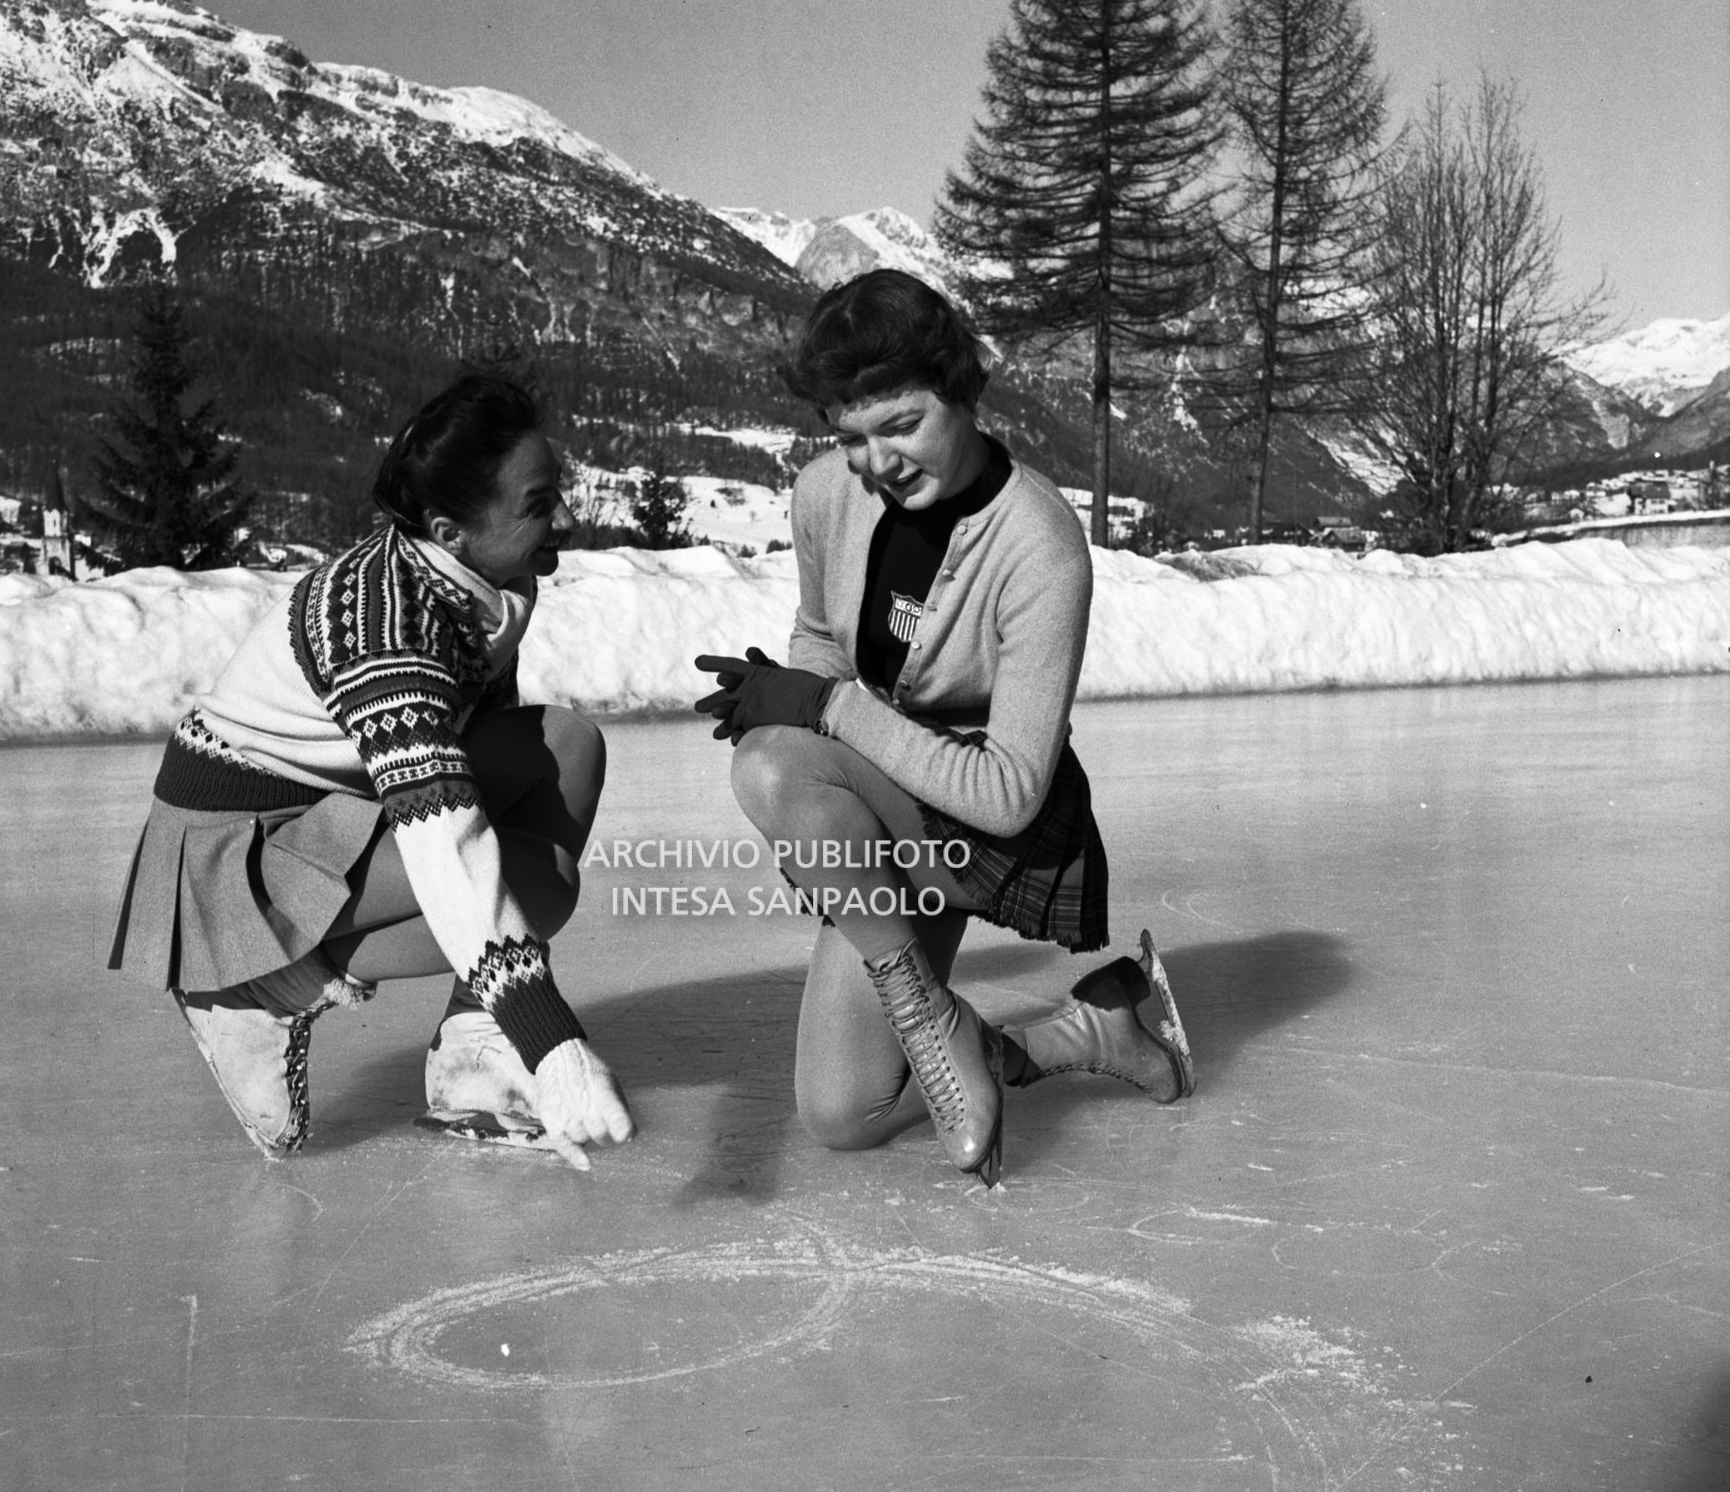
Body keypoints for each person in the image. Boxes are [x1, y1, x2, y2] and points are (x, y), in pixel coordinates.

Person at [695, 270, 1192, 1186]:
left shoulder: (1037, 544)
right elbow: (820, 633)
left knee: (773, 768)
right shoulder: (824, 495)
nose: (876, 460)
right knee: (846, 1114)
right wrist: (800, 687)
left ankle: (927, 1017)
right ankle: (1093, 1030)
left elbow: (1007, 793)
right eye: (851, 436)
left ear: (963, 392)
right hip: (885, 801)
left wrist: (819, 713)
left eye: (901, 425)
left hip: (993, 823)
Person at [109, 369, 634, 1160]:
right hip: (237, 849)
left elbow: (477, 744)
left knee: (564, 747)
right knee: (538, 887)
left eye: (555, 489)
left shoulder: (483, 576)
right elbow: (443, 828)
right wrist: (550, 1038)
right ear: (450, 530)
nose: (563, 514)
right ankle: (255, 980)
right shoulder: (385, 623)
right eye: (536, 504)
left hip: (330, 813)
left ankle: (472, 1051)